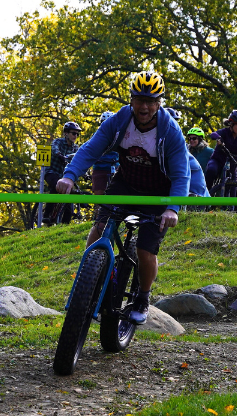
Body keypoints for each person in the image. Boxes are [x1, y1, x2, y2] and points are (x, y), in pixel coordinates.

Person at [55, 71, 190, 325]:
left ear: (159, 103)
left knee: (144, 250)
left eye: (152, 101)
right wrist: (70, 176)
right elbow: (91, 149)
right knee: (100, 227)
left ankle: (142, 296)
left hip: (157, 194)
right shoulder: (119, 121)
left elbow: (182, 174)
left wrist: (172, 208)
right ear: (131, 100)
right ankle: (88, 279)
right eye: (140, 100)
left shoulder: (170, 131)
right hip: (125, 184)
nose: (145, 107)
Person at [40, 122, 82, 226]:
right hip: (52, 172)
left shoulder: (75, 148)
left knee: (69, 194)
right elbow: (54, 148)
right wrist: (59, 155)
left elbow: (79, 158)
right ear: (66, 133)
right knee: (56, 187)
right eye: (73, 133)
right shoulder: (58, 142)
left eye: (77, 134)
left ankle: (65, 224)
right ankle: (47, 214)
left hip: (65, 176)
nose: (75, 136)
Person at [206, 110, 237, 191]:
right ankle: (206, 193)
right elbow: (212, 135)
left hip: (232, 165)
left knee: (233, 187)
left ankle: (230, 203)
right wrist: (218, 138)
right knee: (211, 170)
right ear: (231, 123)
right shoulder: (224, 132)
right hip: (218, 161)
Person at [91, 112, 120, 222]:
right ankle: (98, 216)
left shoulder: (118, 134)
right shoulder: (97, 134)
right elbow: (92, 149)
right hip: (100, 167)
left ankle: (114, 215)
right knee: (99, 193)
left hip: (114, 165)